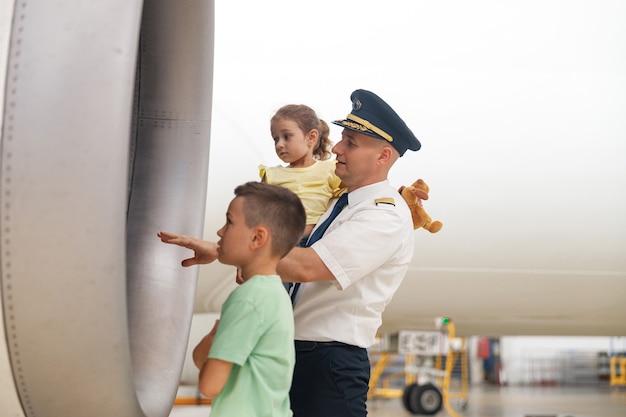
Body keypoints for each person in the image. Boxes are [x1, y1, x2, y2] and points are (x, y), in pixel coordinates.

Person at [160, 89, 422, 417]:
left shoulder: (382, 214)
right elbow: (283, 250)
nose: (337, 148)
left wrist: (223, 250)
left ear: (383, 156)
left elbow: (308, 267)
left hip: (330, 364)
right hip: (300, 355)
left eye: (351, 143)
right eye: (342, 138)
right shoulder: (341, 204)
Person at [158, 181, 306, 417]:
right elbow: (201, 358)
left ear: (258, 238)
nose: (220, 232)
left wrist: (216, 337)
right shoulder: (274, 294)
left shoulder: (248, 299)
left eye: (229, 221)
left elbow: (209, 385)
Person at [260, 104, 344, 242]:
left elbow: (357, 190)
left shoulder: (330, 170)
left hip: (318, 243)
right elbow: (258, 211)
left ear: (311, 137)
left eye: (286, 136)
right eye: (275, 139)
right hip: (280, 243)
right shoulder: (271, 175)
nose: (279, 144)